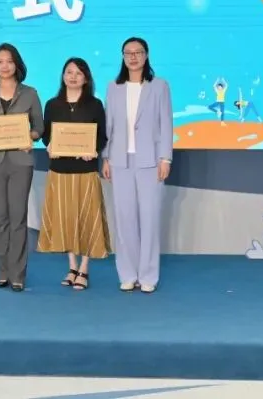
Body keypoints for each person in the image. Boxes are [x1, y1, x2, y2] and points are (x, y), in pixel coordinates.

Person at [0, 43, 44, 292]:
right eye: (0, 61)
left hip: (21, 161)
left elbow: (39, 128)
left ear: (17, 64)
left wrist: (29, 137)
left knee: (18, 218)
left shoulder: (30, 93)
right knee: (0, 217)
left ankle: (18, 274)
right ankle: (2, 272)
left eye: (9, 61)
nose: (5, 66)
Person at [102, 37, 173, 293]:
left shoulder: (159, 86)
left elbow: (166, 123)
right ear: (123, 57)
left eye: (138, 52)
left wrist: (165, 158)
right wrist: (106, 157)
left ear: (146, 55)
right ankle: (127, 274)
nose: (133, 57)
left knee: (149, 219)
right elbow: (109, 124)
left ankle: (148, 276)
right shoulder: (114, 87)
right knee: (124, 220)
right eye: (128, 53)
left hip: (150, 161)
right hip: (120, 160)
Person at [38, 57, 111, 291]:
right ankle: (72, 267)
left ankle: (84, 268)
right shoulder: (52, 104)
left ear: (86, 78)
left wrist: (93, 150)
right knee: (66, 218)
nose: (73, 77)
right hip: (59, 170)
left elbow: (101, 136)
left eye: (78, 73)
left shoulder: (95, 105)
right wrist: (50, 145)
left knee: (87, 218)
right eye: (69, 72)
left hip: (85, 170)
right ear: (63, 76)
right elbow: (46, 135)